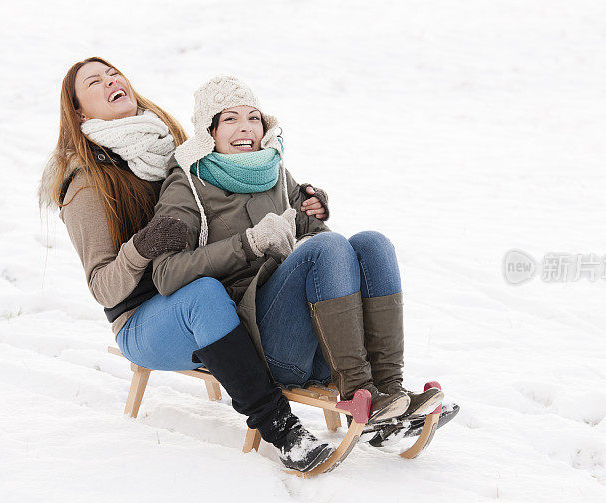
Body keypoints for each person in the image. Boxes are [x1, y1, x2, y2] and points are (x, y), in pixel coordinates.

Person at [39, 58, 334, 472]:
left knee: (258, 280)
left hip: (215, 283)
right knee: (203, 295)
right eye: (94, 82)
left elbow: (237, 189)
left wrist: (300, 202)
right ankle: (280, 427)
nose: (111, 82)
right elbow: (103, 287)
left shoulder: (173, 143)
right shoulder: (86, 182)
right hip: (144, 317)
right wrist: (141, 248)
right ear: (79, 112)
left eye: (114, 74)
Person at [152, 76, 449, 432]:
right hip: (266, 349)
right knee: (328, 247)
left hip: (327, 345)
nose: (245, 128)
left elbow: (322, 244)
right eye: (230, 119)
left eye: (253, 117)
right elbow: (166, 274)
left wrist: (313, 214)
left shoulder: (273, 171)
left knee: (373, 243)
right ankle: (358, 392)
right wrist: (248, 243)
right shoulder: (186, 185)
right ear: (208, 131)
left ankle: (388, 388)